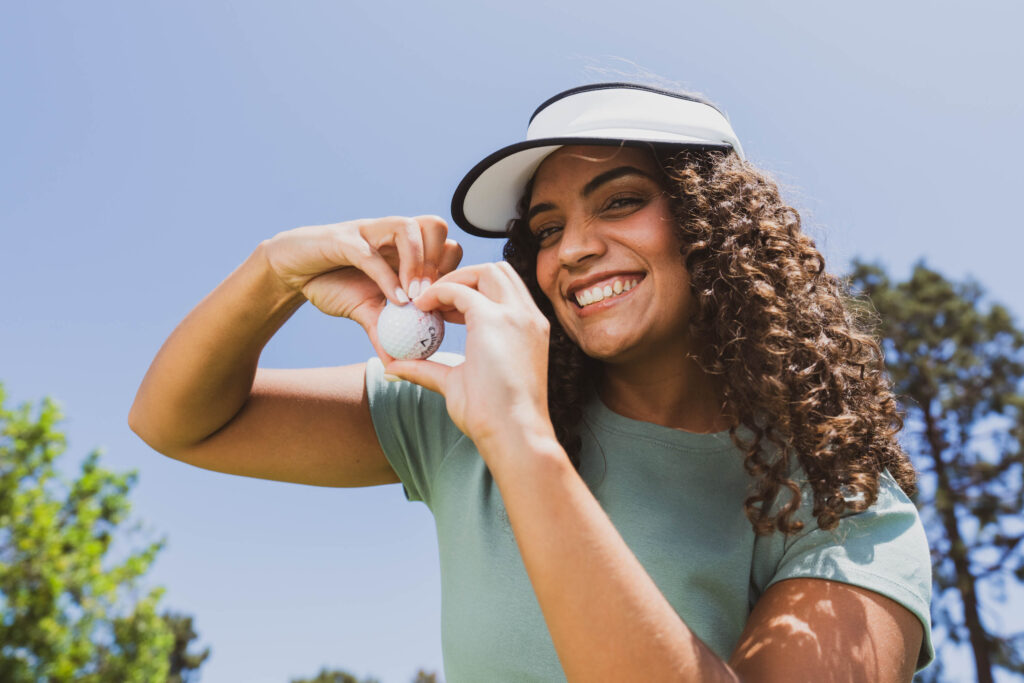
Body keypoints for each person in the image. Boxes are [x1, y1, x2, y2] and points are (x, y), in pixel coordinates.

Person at [129, 82, 933, 681]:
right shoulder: (460, 411)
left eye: (619, 200)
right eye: (547, 229)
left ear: (715, 225)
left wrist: (522, 443)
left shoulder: (842, 501)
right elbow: (180, 422)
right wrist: (275, 267)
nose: (573, 249)